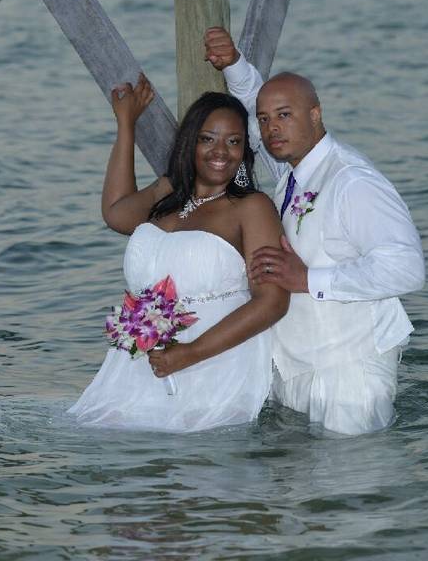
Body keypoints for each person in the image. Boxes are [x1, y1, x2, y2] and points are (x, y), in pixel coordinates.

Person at [204, 27, 426, 436]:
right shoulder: (292, 169)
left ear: (315, 114)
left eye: (284, 116)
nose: (271, 128)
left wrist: (307, 279)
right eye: (266, 120)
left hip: (349, 370)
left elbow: (406, 268)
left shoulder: (352, 181)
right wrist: (234, 66)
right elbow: (258, 104)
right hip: (297, 364)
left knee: (355, 486)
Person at [67, 75, 289, 432]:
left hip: (214, 361)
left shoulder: (251, 207)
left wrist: (190, 354)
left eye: (233, 142)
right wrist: (126, 124)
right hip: (144, 358)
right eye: (208, 139)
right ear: (190, 142)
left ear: (245, 150)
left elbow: (273, 301)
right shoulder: (168, 193)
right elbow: (115, 213)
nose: (221, 151)